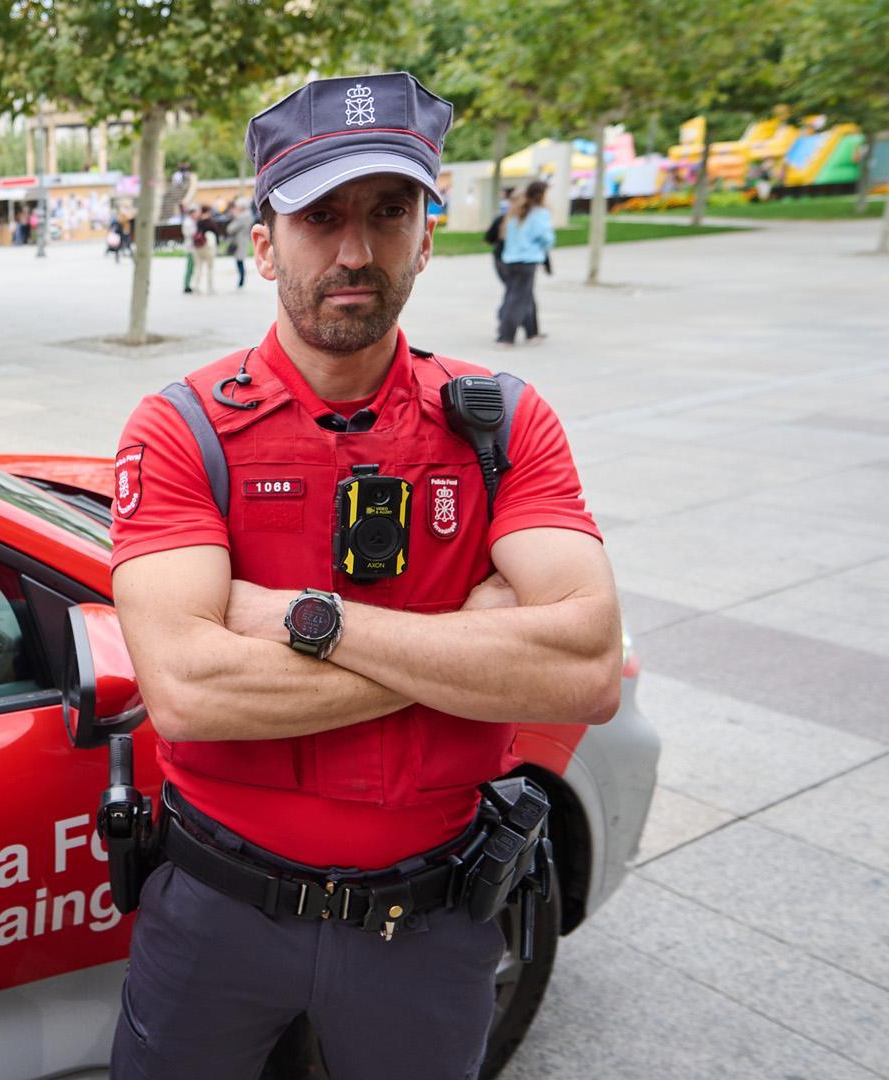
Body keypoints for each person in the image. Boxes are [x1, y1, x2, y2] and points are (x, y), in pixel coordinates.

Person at [107, 72, 620, 1080]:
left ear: (425, 238)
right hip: (218, 918)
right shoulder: (182, 429)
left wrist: (309, 621)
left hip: (429, 926)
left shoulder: (503, 426)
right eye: (319, 217)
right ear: (264, 244)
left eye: (388, 213)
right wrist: (469, 641)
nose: (355, 251)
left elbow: (585, 670)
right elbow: (191, 691)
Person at [497, 179, 553, 346]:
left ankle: (532, 332)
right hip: (527, 261)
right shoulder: (539, 213)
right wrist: (544, 248)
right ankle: (506, 336)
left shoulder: (516, 210)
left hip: (510, 259)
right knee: (517, 299)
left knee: (523, 296)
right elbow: (546, 238)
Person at [226, 196, 256, 288]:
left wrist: (235, 217)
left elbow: (230, 229)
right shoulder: (249, 215)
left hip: (239, 241)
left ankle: (241, 281)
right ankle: (241, 280)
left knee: (239, 261)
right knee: (240, 261)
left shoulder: (242, 217)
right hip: (243, 240)